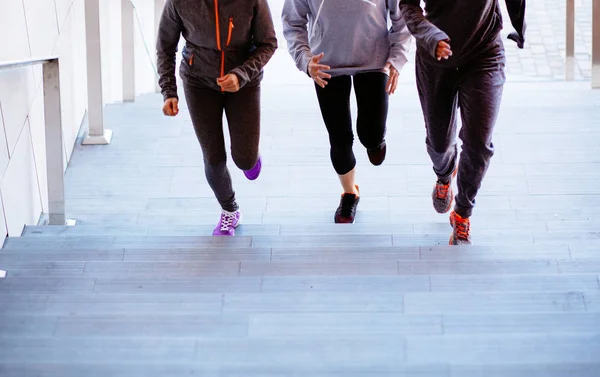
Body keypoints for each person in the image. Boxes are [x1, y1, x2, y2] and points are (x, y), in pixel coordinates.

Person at [399, 0, 526, 245]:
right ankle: (445, 174)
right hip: (436, 59)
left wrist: (520, 25)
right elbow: (407, 4)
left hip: (484, 54)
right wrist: (430, 35)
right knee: (438, 144)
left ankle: (462, 212)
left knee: (479, 144)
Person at [282, 0, 412, 224]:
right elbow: (292, 23)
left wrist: (396, 59)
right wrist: (305, 60)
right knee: (340, 141)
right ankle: (350, 193)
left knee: (371, 134)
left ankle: (375, 141)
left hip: (373, 61)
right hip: (326, 64)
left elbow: (402, 19)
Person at [156, 0, 277, 236]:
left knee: (244, 159)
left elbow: (268, 43)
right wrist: (168, 91)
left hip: (243, 82)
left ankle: (250, 159)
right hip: (198, 81)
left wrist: (241, 75)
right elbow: (165, 46)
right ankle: (229, 210)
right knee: (213, 159)